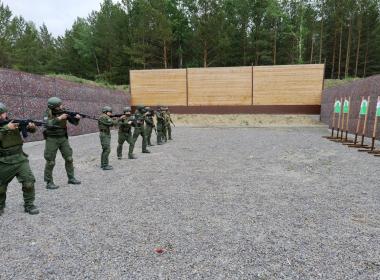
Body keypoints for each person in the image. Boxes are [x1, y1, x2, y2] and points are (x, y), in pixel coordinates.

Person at [0, 103, 39, 215]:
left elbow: (31, 131)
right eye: (2, 113)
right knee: (1, 188)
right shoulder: (7, 125)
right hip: (3, 161)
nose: (4, 115)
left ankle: (29, 205)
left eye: (3, 113)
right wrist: (6, 128)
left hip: (20, 158)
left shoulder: (12, 122)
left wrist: (31, 127)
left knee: (29, 182)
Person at [43, 97, 81, 190]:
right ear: (54, 107)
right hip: (52, 139)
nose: (61, 106)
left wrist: (77, 118)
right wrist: (59, 118)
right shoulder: (47, 113)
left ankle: (71, 178)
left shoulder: (64, 111)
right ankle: (49, 182)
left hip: (63, 138)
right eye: (59, 105)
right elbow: (47, 123)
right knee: (50, 161)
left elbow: (74, 123)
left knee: (69, 158)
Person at [98, 106, 120, 170]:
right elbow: (113, 123)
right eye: (110, 112)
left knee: (105, 149)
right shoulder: (104, 117)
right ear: (106, 112)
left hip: (105, 133)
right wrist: (119, 119)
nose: (111, 113)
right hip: (104, 134)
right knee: (107, 149)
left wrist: (113, 119)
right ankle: (105, 165)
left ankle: (103, 164)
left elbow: (111, 123)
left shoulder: (104, 117)